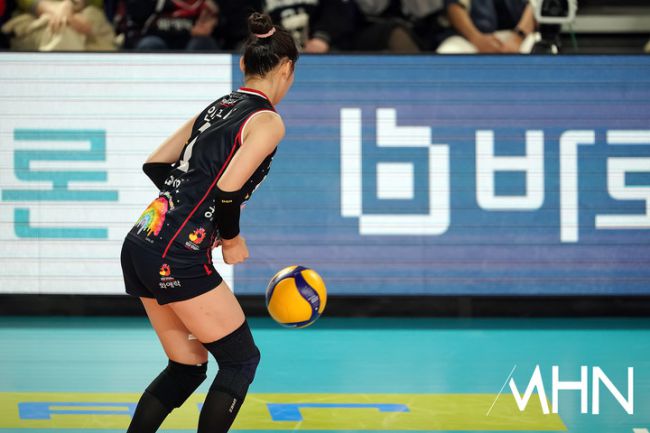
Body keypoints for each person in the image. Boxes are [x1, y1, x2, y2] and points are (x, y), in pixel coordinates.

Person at [119, 12, 297, 433]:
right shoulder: (268, 120)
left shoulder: (219, 106)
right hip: (175, 256)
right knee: (240, 361)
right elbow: (228, 189)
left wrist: (195, 211)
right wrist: (230, 238)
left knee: (187, 366)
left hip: (141, 242)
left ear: (244, 64)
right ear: (287, 69)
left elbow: (156, 163)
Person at [437, 0, 536, 53]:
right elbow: (454, 6)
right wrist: (476, 38)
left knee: (538, 53)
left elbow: (535, 5)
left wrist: (518, 37)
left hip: (521, 34)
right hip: (471, 36)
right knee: (448, 53)